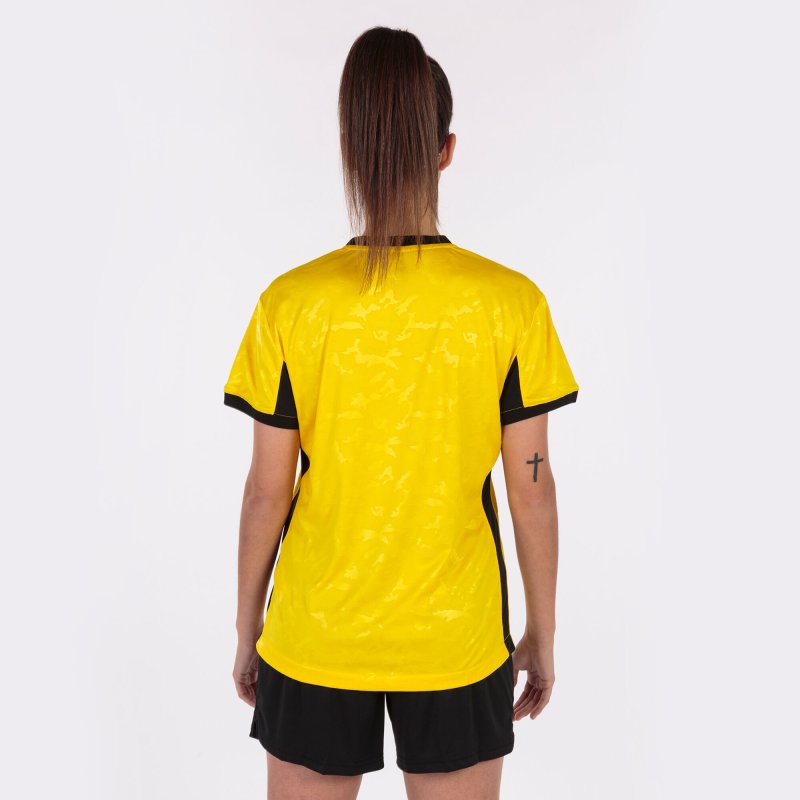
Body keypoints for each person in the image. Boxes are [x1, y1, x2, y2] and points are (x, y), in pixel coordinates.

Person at [223, 25, 579, 800]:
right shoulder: (510, 304)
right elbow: (532, 488)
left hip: (315, 635)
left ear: (351, 149)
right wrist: (541, 635)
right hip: (456, 638)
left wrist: (249, 630)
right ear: (445, 151)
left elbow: (265, 493)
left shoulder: (290, 305)